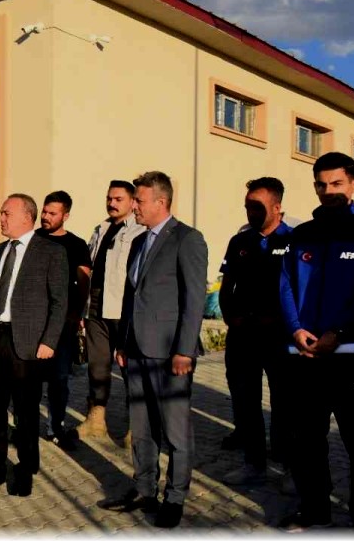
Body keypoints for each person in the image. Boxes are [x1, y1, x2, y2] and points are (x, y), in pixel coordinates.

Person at [98, 171, 207, 528]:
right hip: (136, 350)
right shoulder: (139, 240)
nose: (135, 207)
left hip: (169, 353)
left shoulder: (187, 239)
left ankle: (175, 497)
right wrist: (123, 343)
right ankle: (145, 488)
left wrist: (185, 350)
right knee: (142, 428)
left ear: (161, 202)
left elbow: (194, 300)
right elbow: (131, 296)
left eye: (140, 201)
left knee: (175, 432)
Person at [278, 152, 354, 531]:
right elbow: (286, 286)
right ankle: (314, 509)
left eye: (337, 183)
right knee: (306, 440)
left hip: (353, 359)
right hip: (307, 355)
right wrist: (296, 329)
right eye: (321, 184)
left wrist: (340, 333)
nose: (328, 191)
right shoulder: (302, 235)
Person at [0, 194, 68, 497]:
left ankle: (25, 469)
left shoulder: (51, 252)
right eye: (1, 213)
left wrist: (49, 341)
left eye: (6, 213)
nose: (0, 218)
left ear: (27, 216)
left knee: (25, 411)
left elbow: (60, 302)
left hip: (27, 342)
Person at [218, 177, 292, 486]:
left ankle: (288, 466)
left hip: (279, 338)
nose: (250, 212)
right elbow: (226, 286)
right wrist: (229, 316)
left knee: (285, 404)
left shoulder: (294, 241)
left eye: (257, 206)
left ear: (276, 207)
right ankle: (254, 462)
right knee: (244, 400)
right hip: (243, 336)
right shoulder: (240, 242)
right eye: (247, 206)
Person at [79, 181, 147, 440]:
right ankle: (96, 420)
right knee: (97, 366)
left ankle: (136, 428)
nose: (112, 203)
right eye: (109, 198)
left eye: (118, 199)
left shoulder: (140, 230)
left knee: (130, 367)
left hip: (123, 308)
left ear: (132, 202)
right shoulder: (101, 228)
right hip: (96, 305)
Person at [36, 191, 91, 450]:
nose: (45, 217)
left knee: (58, 379)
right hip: (32, 322)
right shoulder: (33, 239)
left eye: (52, 213)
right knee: (29, 378)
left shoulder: (77, 245)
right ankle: (25, 427)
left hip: (62, 323)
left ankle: (55, 428)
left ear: (65, 216)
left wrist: (75, 315)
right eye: (44, 211)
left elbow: (84, 282)